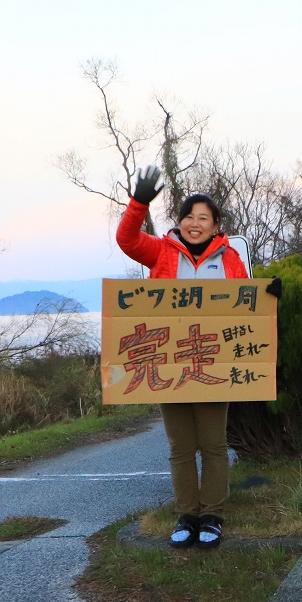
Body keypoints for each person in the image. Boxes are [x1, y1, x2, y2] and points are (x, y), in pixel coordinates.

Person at [115, 166, 250, 550]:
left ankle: (213, 515)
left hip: (212, 363)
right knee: (180, 447)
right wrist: (139, 202)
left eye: (203, 218)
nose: (195, 223)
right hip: (168, 363)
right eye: (189, 216)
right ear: (179, 222)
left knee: (213, 445)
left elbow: (247, 305)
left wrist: (269, 293)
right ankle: (187, 514)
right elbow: (126, 239)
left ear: (216, 225)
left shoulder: (229, 261)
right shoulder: (161, 252)